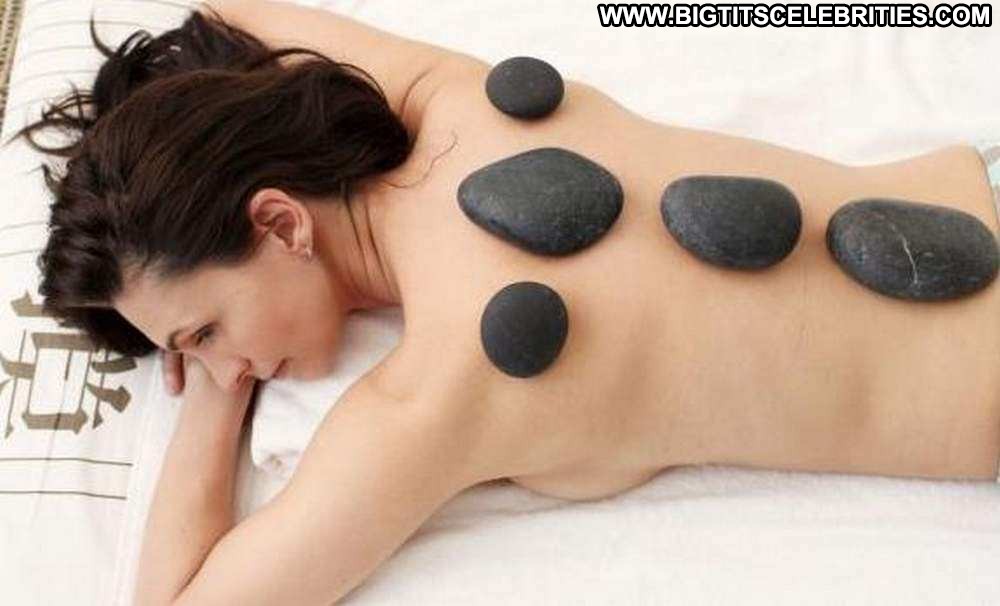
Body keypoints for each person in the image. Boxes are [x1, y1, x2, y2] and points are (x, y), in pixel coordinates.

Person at [8, 1, 999, 603]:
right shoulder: (470, 103)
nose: (219, 369)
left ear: (278, 221)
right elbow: (235, 14)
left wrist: (213, 411)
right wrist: (158, 147)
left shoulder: (439, 401)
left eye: (203, 333)